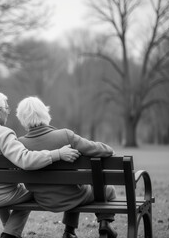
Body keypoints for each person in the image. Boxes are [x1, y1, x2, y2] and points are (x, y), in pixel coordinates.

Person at [0, 90, 80, 238]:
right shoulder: (4, 133)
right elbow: (26, 160)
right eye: (6, 108)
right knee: (32, 191)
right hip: (1, 195)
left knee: (1, 184)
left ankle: (7, 228)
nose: (8, 112)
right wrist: (57, 154)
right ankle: (10, 233)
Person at [16, 96, 118, 238]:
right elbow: (99, 150)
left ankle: (69, 232)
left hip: (42, 198)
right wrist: (109, 149)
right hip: (73, 195)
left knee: (74, 187)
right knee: (108, 190)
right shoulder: (65, 135)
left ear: (22, 119)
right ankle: (104, 224)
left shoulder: (19, 144)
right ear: (45, 113)